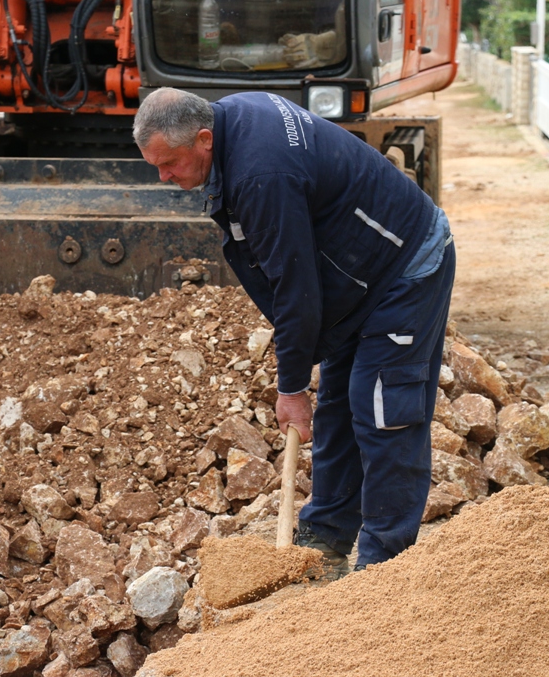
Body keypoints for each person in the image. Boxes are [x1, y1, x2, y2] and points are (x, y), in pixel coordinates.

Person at [133, 87, 455, 577]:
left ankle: (383, 571)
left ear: (203, 138)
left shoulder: (263, 173)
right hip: (356, 276)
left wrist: (291, 388)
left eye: (170, 163)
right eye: (156, 165)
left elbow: (294, 285)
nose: (165, 177)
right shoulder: (233, 123)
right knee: (342, 406)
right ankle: (323, 542)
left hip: (403, 266)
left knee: (384, 412)